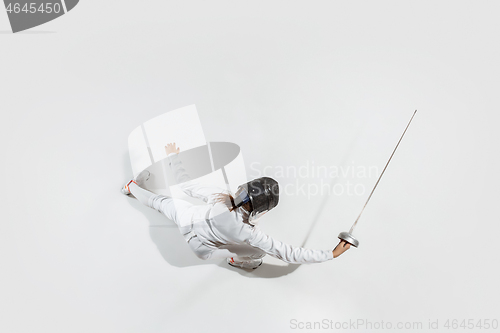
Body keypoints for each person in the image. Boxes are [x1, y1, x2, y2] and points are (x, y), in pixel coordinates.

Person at [122, 143, 350, 269]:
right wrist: (331, 254)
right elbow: (287, 253)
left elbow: (188, 184)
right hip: (200, 249)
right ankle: (239, 262)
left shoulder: (220, 197)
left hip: (186, 219)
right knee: (259, 253)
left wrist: (174, 157)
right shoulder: (249, 233)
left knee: (159, 202)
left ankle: (130, 188)